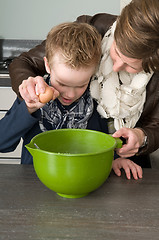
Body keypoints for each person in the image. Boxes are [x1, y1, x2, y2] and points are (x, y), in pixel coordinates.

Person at [9, 0, 159, 176]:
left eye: (131, 66)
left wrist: (143, 137)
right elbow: (24, 62)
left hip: (123, 166)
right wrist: (28, 89)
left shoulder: (98, 114)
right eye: (116, 52)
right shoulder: (93, 29)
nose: (116, 67)